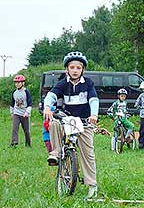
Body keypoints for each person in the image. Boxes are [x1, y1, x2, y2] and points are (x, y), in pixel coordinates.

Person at [43, 51, 99, 198]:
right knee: (54, 123)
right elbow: (51, 95)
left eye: (78, 68)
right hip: (67, 119)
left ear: (83, 70)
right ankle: (56, 152)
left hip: (84, 121)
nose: (75, 70)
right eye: (72, 67)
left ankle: (92, 185)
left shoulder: (88, 83)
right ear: (67, 69)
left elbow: (94, 100)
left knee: (88, 153)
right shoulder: (62, 83)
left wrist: (94, 114)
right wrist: (47, 107)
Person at [10, 74, 32, 147]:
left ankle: (28, 144)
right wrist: (12, 113)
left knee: (26, 131)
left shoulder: (26, 92)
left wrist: (27, 112)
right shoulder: (14, 92)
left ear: (23, 83)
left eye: (19, 82)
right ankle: (14, 143)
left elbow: (30, 104)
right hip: (16, 113)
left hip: (25, 114)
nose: (17, 84)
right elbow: (12, 103)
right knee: (14, 128)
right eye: (16, 82)